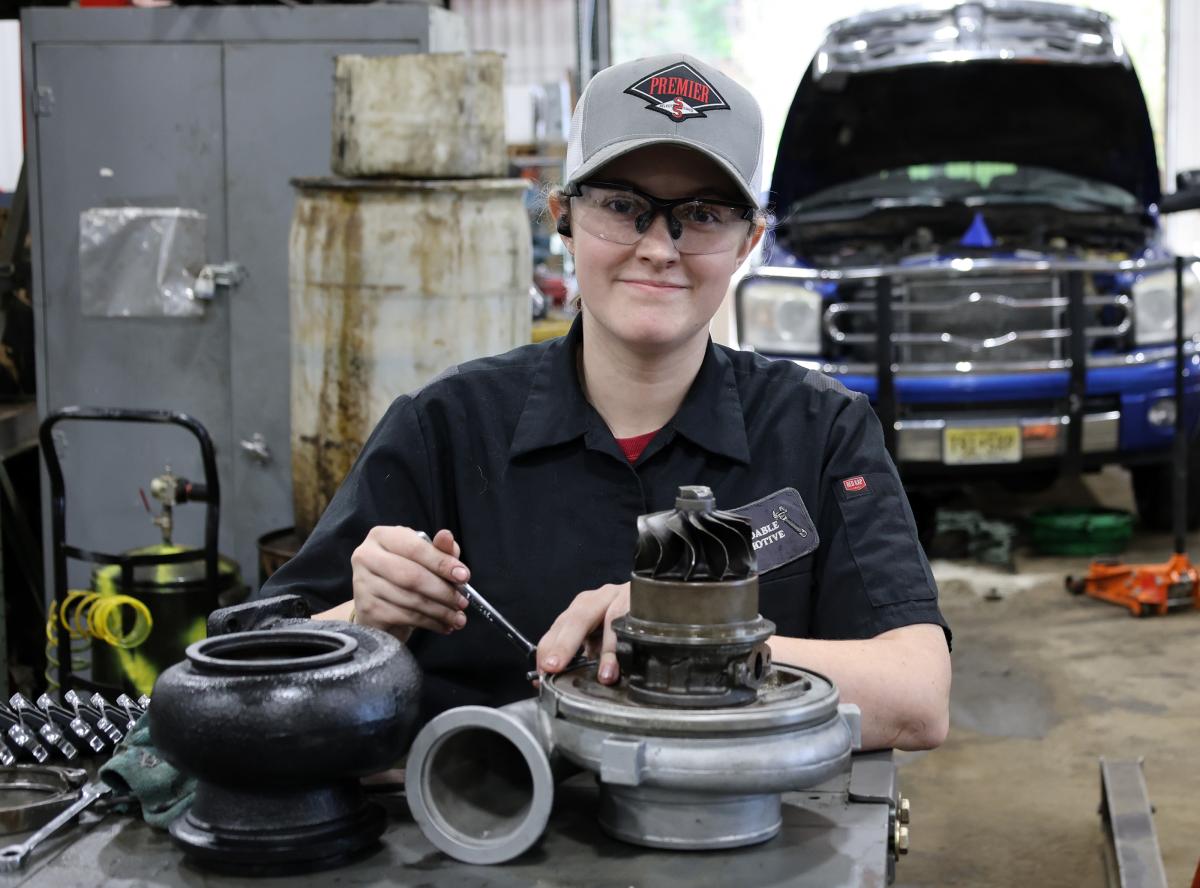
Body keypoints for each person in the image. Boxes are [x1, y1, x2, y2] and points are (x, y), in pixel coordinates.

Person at [260, 53, 952, 751]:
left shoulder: (819, 431)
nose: (659, 247)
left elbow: (918, 697)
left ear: (748, 241)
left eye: (702, 214)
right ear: (564, 217)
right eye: (623, 206)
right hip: (481, 838)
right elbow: (252, 681)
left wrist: (693, 638)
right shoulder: (446, 428)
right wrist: (365, 622)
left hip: (741, 839)